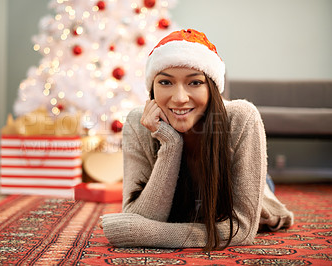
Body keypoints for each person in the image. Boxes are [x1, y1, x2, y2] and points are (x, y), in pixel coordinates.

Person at [101, 29, 293, 250]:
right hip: (185, 195)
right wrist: (171, 144)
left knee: (259, 195)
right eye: (165, 82)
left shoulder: (242, 117)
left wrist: (150, 233)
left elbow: (242, 228)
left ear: (211, 88)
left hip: (232, 179)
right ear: (152, 88)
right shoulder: (138, 123)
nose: (180, 98)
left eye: (194, 83)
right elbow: (138, 216)